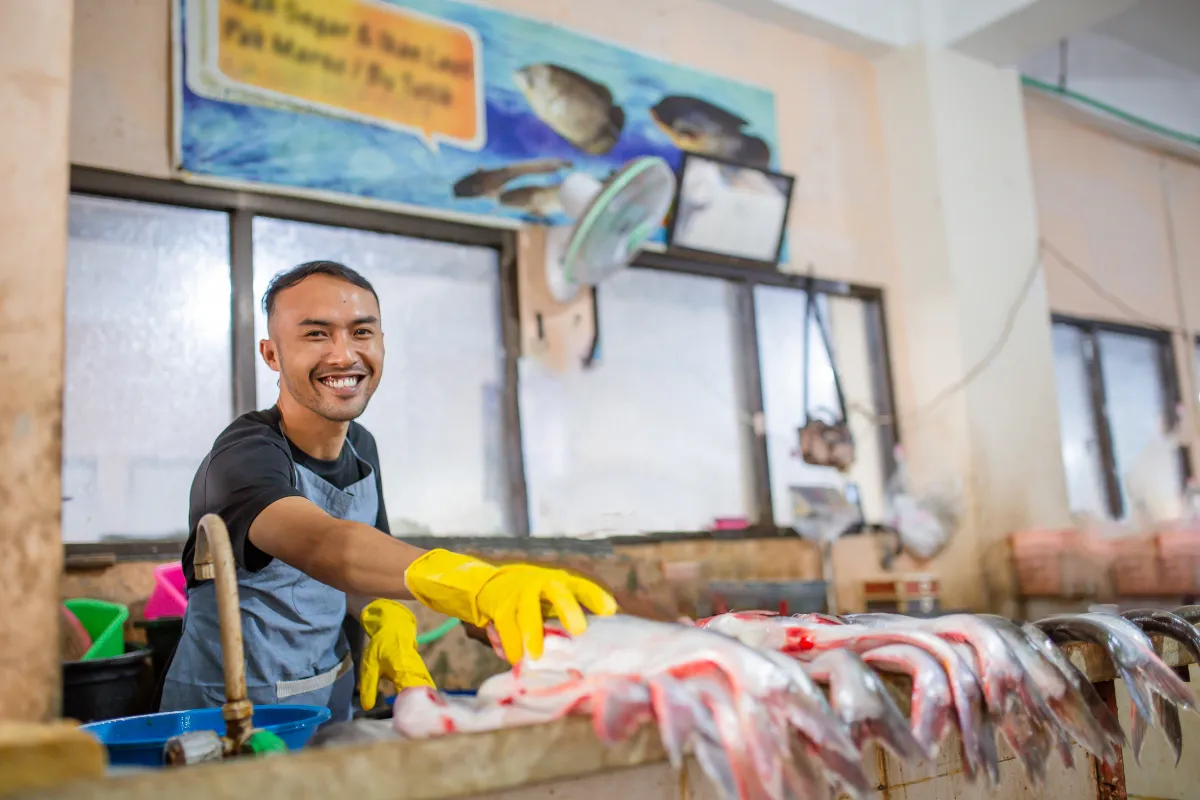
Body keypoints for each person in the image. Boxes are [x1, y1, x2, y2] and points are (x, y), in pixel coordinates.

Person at [160, 260, 617, 721]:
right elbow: (328, 546)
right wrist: (472, 583)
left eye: (361, 332)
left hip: (330, 701)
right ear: (272, 355)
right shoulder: (242, 457)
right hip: (229, 717)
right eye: (316, 334)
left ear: (382, 343)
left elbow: (366, 563)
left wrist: (383, 615)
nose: (344, 355)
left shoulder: (361, 448)